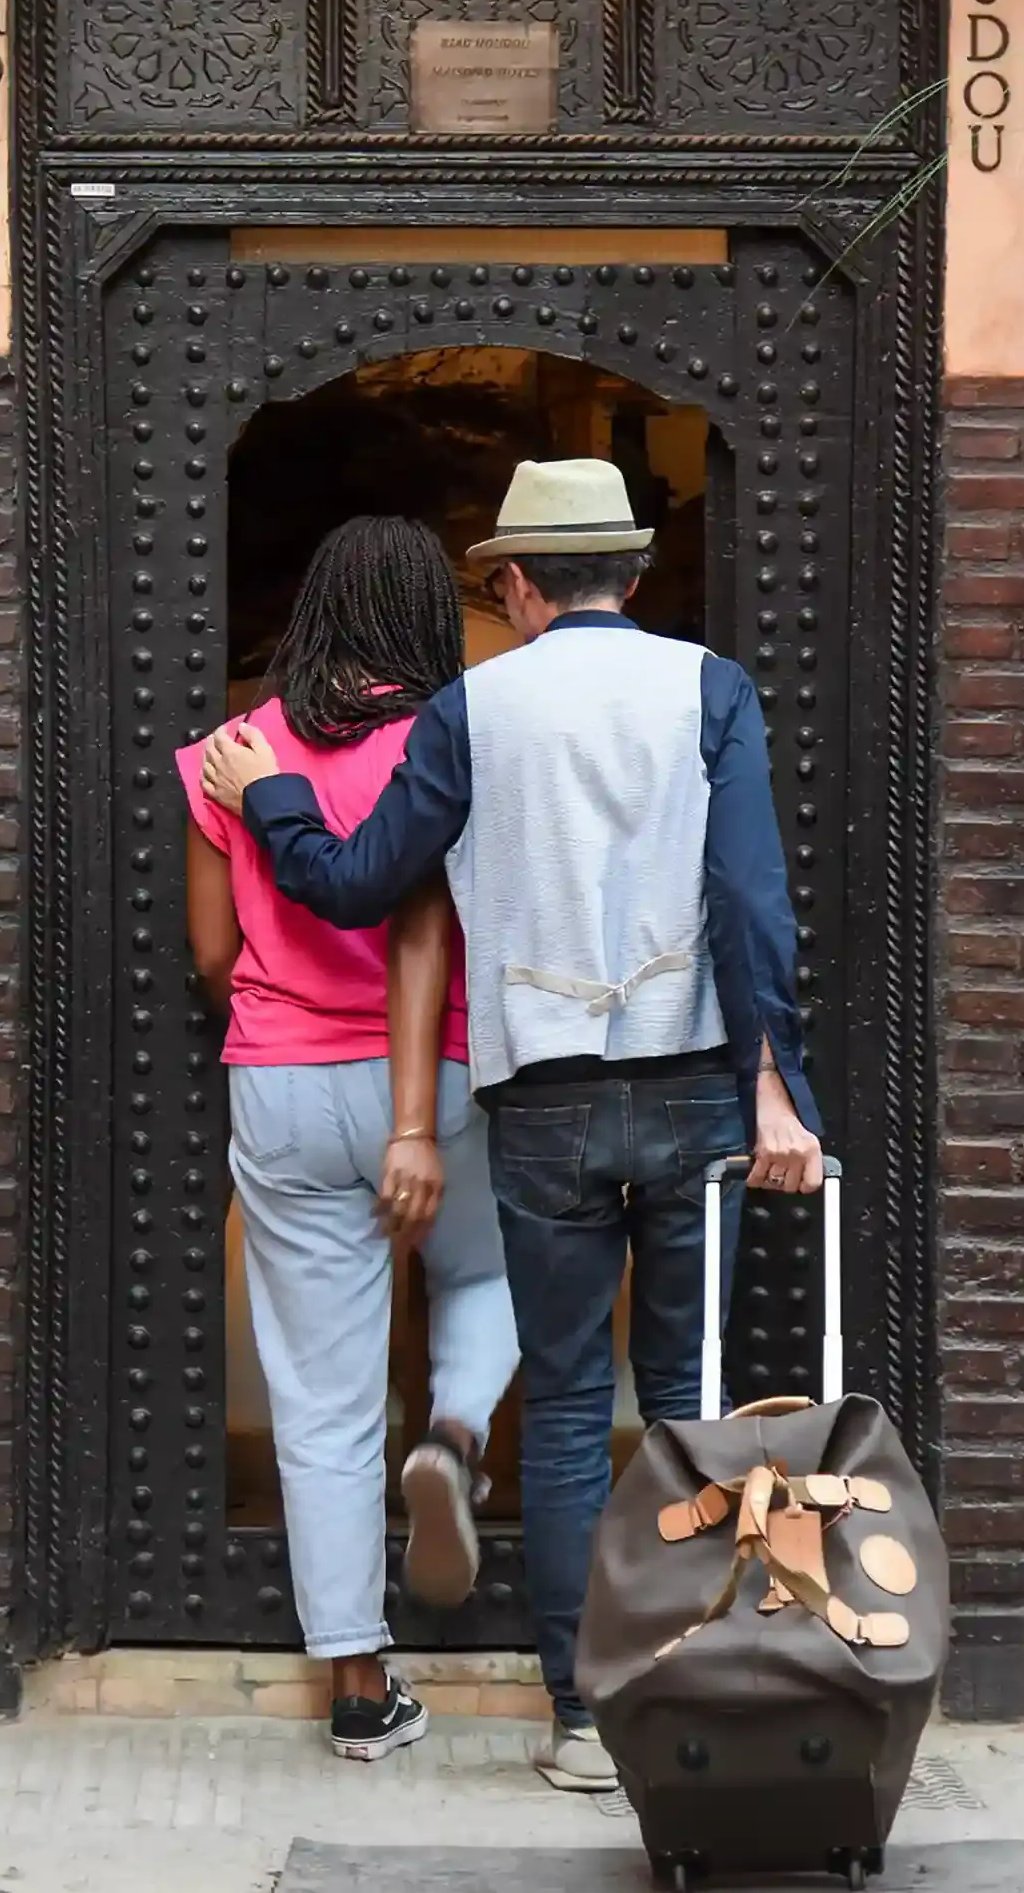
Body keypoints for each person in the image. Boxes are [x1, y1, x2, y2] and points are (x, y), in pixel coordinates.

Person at [200, 457, 824, 1794]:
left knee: (564, 1404)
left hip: (539, 1097)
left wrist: (273, 798)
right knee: (681, 1397)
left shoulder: (473, 708)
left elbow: (364, 885)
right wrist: (778, 1089)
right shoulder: (710, 687)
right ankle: (682, 1682)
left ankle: (580, 1715)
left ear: (520, 583)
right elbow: (753, 904)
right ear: (637, 576)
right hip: (691, 1080)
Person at [180, 515, 519, 1764]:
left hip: (276, 1080)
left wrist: (280, 1008)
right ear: (426, 617)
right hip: (426, 1073)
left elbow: (212, 954)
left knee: (317, 1396)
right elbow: (431, 917)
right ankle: (455, 1433)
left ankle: (361, 1689)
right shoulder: (445, 744)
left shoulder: (235, 750)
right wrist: (412, 1111)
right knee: (488, 1269)